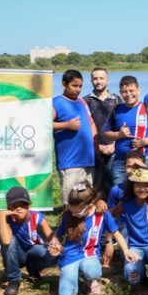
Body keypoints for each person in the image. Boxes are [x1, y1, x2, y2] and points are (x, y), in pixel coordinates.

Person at [52, 182, 136, 295]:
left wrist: (126, 251)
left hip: (89, 254)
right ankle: (73, 275)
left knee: (93, 272)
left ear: (90, 204)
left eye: (78, 211)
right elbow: (57, 234)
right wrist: (55, 243)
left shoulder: (101, 214)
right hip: (70, 256)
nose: (74, 214)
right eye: (72, 209)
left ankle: (89, 280)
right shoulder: (69, 215)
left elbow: (117, 234)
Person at [110, 168, 148, 287]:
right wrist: (99, 206)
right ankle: (141, 276)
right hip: (135, 247)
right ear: (132, 186)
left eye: (147, 185)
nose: (142, 189)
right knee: (133, 277)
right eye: (138, 185)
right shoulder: (126, 202)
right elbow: (110, 215)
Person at [103, 76, 148, 182]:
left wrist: (144, 142)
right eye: (124, 92)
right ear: (120, 92)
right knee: (121, 193)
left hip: (145, 159)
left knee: (144, 191)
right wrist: (119, 135)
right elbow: (107, 133)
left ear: (138, 90)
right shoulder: (117, 110)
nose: (128, 94)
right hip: (121, 161)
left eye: (131, 90)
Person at [0, 186, 59, 295]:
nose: (19, 208)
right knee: (10, 242)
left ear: (29, 205)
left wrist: (55, 243)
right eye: (14, 206)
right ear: (8, 207)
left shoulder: (37, 217)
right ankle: (14, 280)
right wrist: (2, 215)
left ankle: (33, 268)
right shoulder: (6, 220)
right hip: (16, 255)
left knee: (53, 254)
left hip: (32, 250)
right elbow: (6, 242)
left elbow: (50, 235)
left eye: (23, 205)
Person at [53, 69, 98, 205]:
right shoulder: (56, 102)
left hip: (87, 160)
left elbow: (91, 122)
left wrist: (96, 146)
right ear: (64, 85)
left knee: (85, 198)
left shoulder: (81, 102)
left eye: (80, 86)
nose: (78, 90)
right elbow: (43, 124)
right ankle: (68, 225)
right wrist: (66, 125)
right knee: (71, 200)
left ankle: (84, 225)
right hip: (70, 162)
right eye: (74, 86)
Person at [84, 68, 123, 197]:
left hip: (113, 149)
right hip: (93, 150)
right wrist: (97, 146)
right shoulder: (85, 101)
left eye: (101, 78)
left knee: (114, 183)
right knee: (95, 185)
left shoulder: (117, 100)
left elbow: (122, 126)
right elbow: (84, 128)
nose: (98, 81)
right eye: (95, 78)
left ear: (108, 79)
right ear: (91, 80)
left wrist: (113, 145)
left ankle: (113, 212)